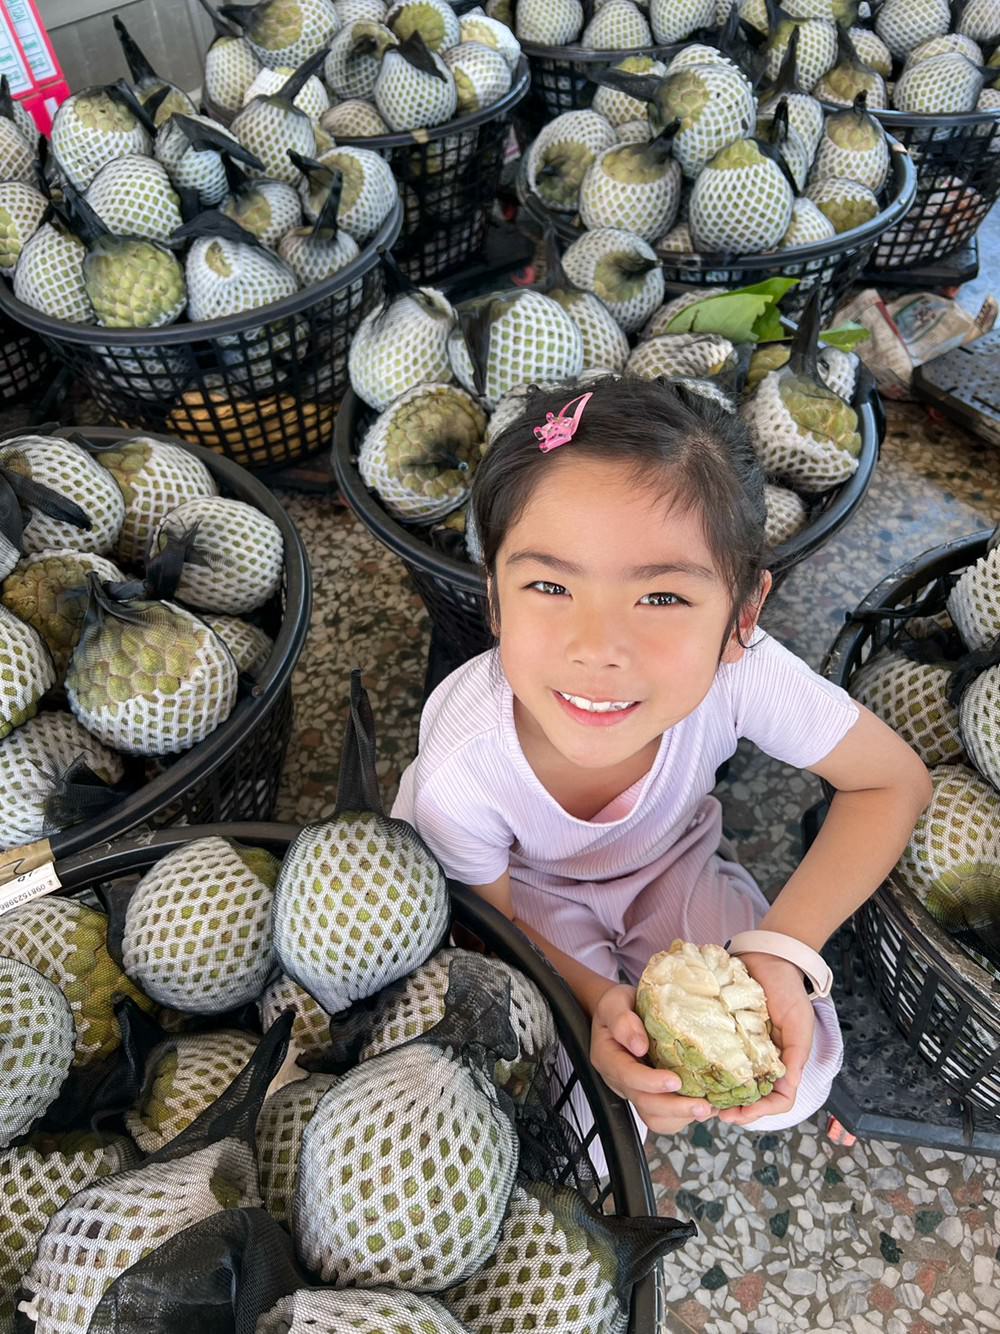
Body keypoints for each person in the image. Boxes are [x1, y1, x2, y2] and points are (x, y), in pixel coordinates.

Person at [391, 376, 932, 1139]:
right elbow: (486, 921)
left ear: (744, 613)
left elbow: (891, 781)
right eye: (549, 585)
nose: (599, 651)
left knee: (796, 1078)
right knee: (594, 1128)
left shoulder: (746, 671)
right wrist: (596, 1005)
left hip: (668, 863)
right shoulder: (464, 763)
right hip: (525, 901)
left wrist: (786, 949)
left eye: (662, 599)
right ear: (493, 598)